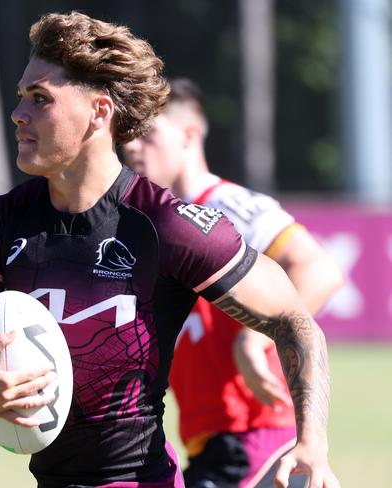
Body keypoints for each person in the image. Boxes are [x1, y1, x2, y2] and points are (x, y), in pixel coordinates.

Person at [0, 12, 339, 488]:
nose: (19, 113)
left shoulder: (165, 223)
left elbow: (294, 321)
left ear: (99, 114)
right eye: (21, 96)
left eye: (41, 99)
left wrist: (312, 441)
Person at [123, 78, 344, 488]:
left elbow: (319, 270)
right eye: (129, 137)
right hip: (212, 443)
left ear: (189, 134)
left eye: (147, 134)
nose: (132, 147)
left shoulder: (228, 207)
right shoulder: (156, 223)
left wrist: (253, 339)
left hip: (254, 434)